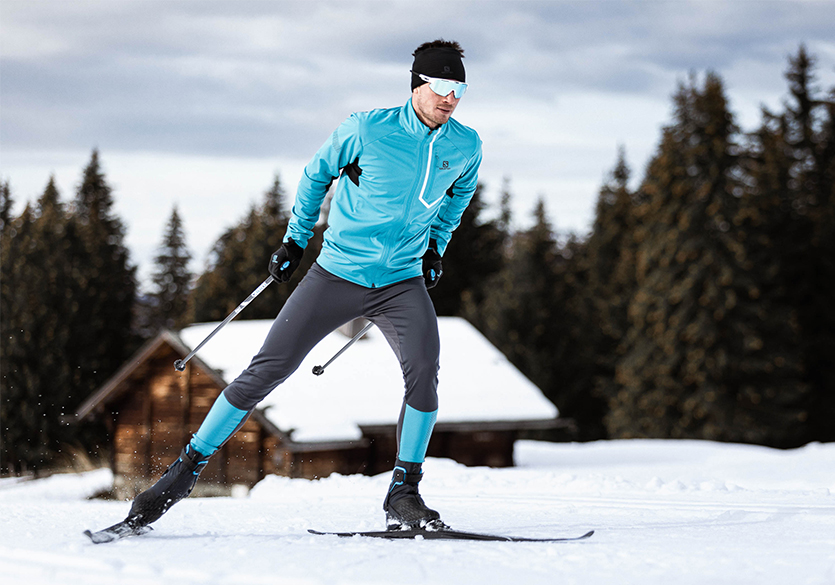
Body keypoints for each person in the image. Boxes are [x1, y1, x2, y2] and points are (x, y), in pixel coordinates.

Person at [125, 39, 482, 532]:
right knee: (267, 369)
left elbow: (458, 195)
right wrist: (296, 238)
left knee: (424, 371)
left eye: (459, 88)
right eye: (442, 86)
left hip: (401, 281)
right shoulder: (366, 129)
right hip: (336, 274)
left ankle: (404, 491)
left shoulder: (465, 145)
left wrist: (436, 247)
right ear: (418, 83)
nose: (451, 98)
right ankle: (185, 470)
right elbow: (316, 175)